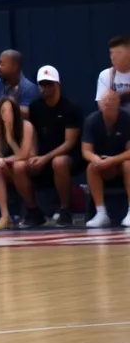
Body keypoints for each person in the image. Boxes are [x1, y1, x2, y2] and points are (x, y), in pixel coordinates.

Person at [26, 66, 83, 227]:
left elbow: (70, 142)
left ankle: (65, 210)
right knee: (20, 166)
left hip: (70, 157)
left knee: (59, 162)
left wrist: (45, 158)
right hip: (43, 155)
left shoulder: (71, 108)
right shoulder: (35, 107)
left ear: (58, 84)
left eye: (49, 84)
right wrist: (33, 156)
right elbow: (33, 135)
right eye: (42, 85)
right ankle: (33, 212)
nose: (45, 88)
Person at [81, 87, 130, 228]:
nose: (108, 106)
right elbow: (86, 151)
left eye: (111, 103)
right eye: (105, 103)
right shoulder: (92, 121)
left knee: (128, 164)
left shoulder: (126, 119)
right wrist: (96, 159)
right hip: (103, 165)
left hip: (120, 163)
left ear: (118, 104)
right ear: (100, 105)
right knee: (91, 167)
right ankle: (101, 213)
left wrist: (113, 160)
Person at [0, 96, 36, 230]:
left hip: (30, 168)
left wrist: (10, 138)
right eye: (3, 111)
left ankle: (32, 207)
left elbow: (23, 155)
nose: (6, 114)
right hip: (9, 169)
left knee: (19, 165)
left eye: (10, 110)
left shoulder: (26, 126)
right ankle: (5, 216)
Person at [95, 34, 130, 111]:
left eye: (118, 53)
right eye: (111, 53)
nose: (113, 57)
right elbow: (102, 107)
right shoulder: (105, 75)